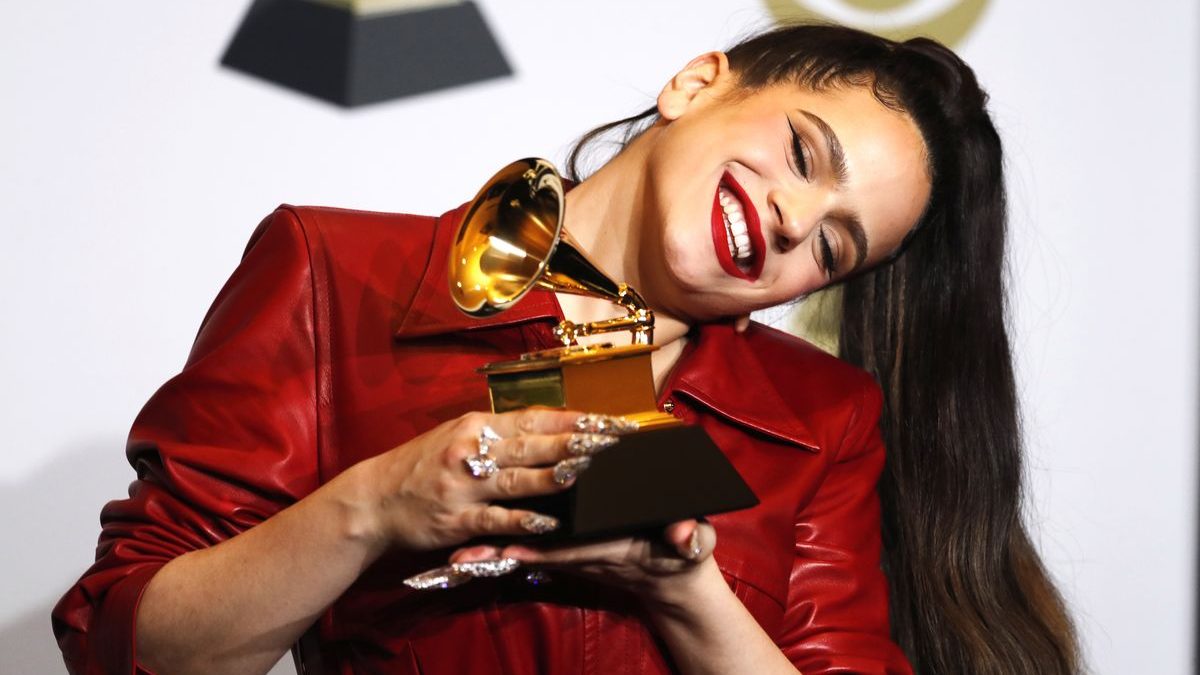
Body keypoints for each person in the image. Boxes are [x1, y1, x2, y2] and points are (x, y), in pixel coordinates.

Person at [53, 23, 1079, 675]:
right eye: (803, 153)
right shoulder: (335, 270)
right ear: (696, 82)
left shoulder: (822, 417)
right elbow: (127, 645)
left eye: (834, 244)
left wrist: (681, 589)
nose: (788, 220)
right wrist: (374, 508)